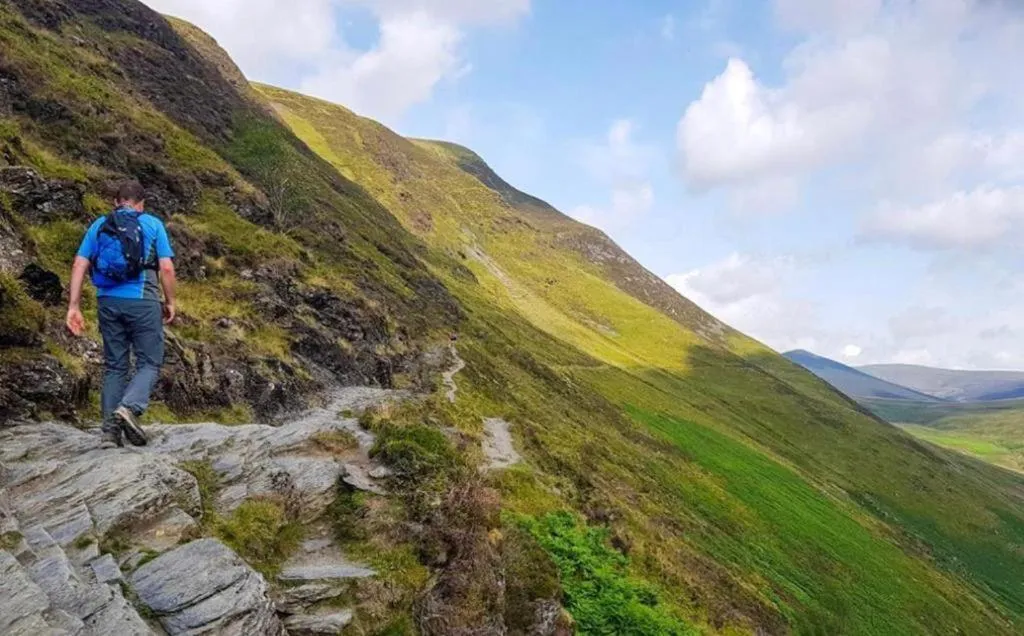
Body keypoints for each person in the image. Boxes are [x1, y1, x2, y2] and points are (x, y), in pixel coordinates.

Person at [66, 181, 176, 447]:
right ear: (142, 203)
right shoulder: (152, 224)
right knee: (149, 362)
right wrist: (170, 301)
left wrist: (73, 306)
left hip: (107, 302)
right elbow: (166, 268)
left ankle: (109, 433)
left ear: (116, 202)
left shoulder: (99, 225)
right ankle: (129, 407)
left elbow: (79, 264)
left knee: (115, 365)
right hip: (142, 301)